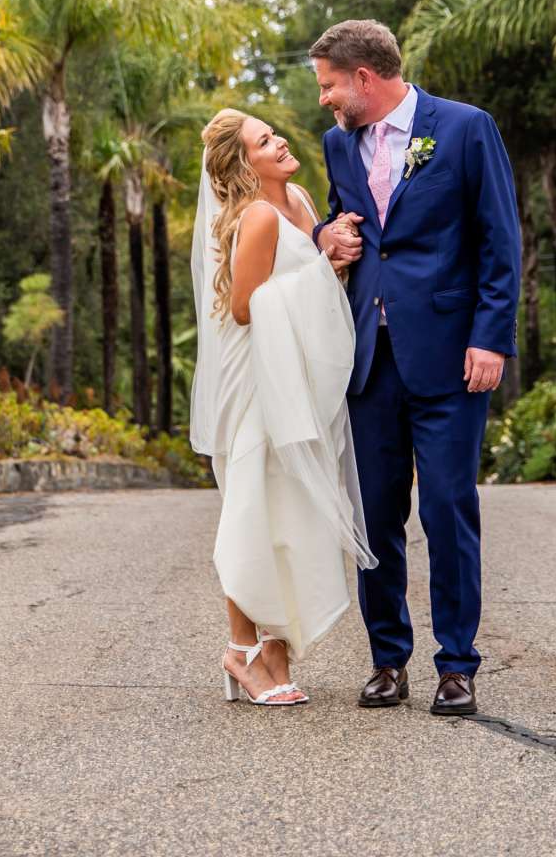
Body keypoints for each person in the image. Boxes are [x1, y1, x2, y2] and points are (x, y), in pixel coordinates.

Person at [309, 18, 522, 717]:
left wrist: (490, 339)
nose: (324, 100)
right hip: (370, 359)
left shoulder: (463, 129)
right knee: (376, 517)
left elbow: (499, 239)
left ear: (365, 78)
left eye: (329, 85)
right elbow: (349, 227)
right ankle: (387, 659)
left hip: (453, 358)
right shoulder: (339, 144)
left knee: (447, 509)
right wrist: (323, 234)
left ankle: (457, 665)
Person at [187, 107, 374, 707]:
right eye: (263, 141)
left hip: (298, 373)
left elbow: (316, 278)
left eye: (273, 133)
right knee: (256, 508)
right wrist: (322, 269)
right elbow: (245, 307)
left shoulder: (296, 196)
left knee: (292, 510)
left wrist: (333, 253)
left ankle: (276, 650)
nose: (279, 141)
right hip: (261, 383)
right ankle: (241, 651)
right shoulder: (261, 216)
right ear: (245, 166)